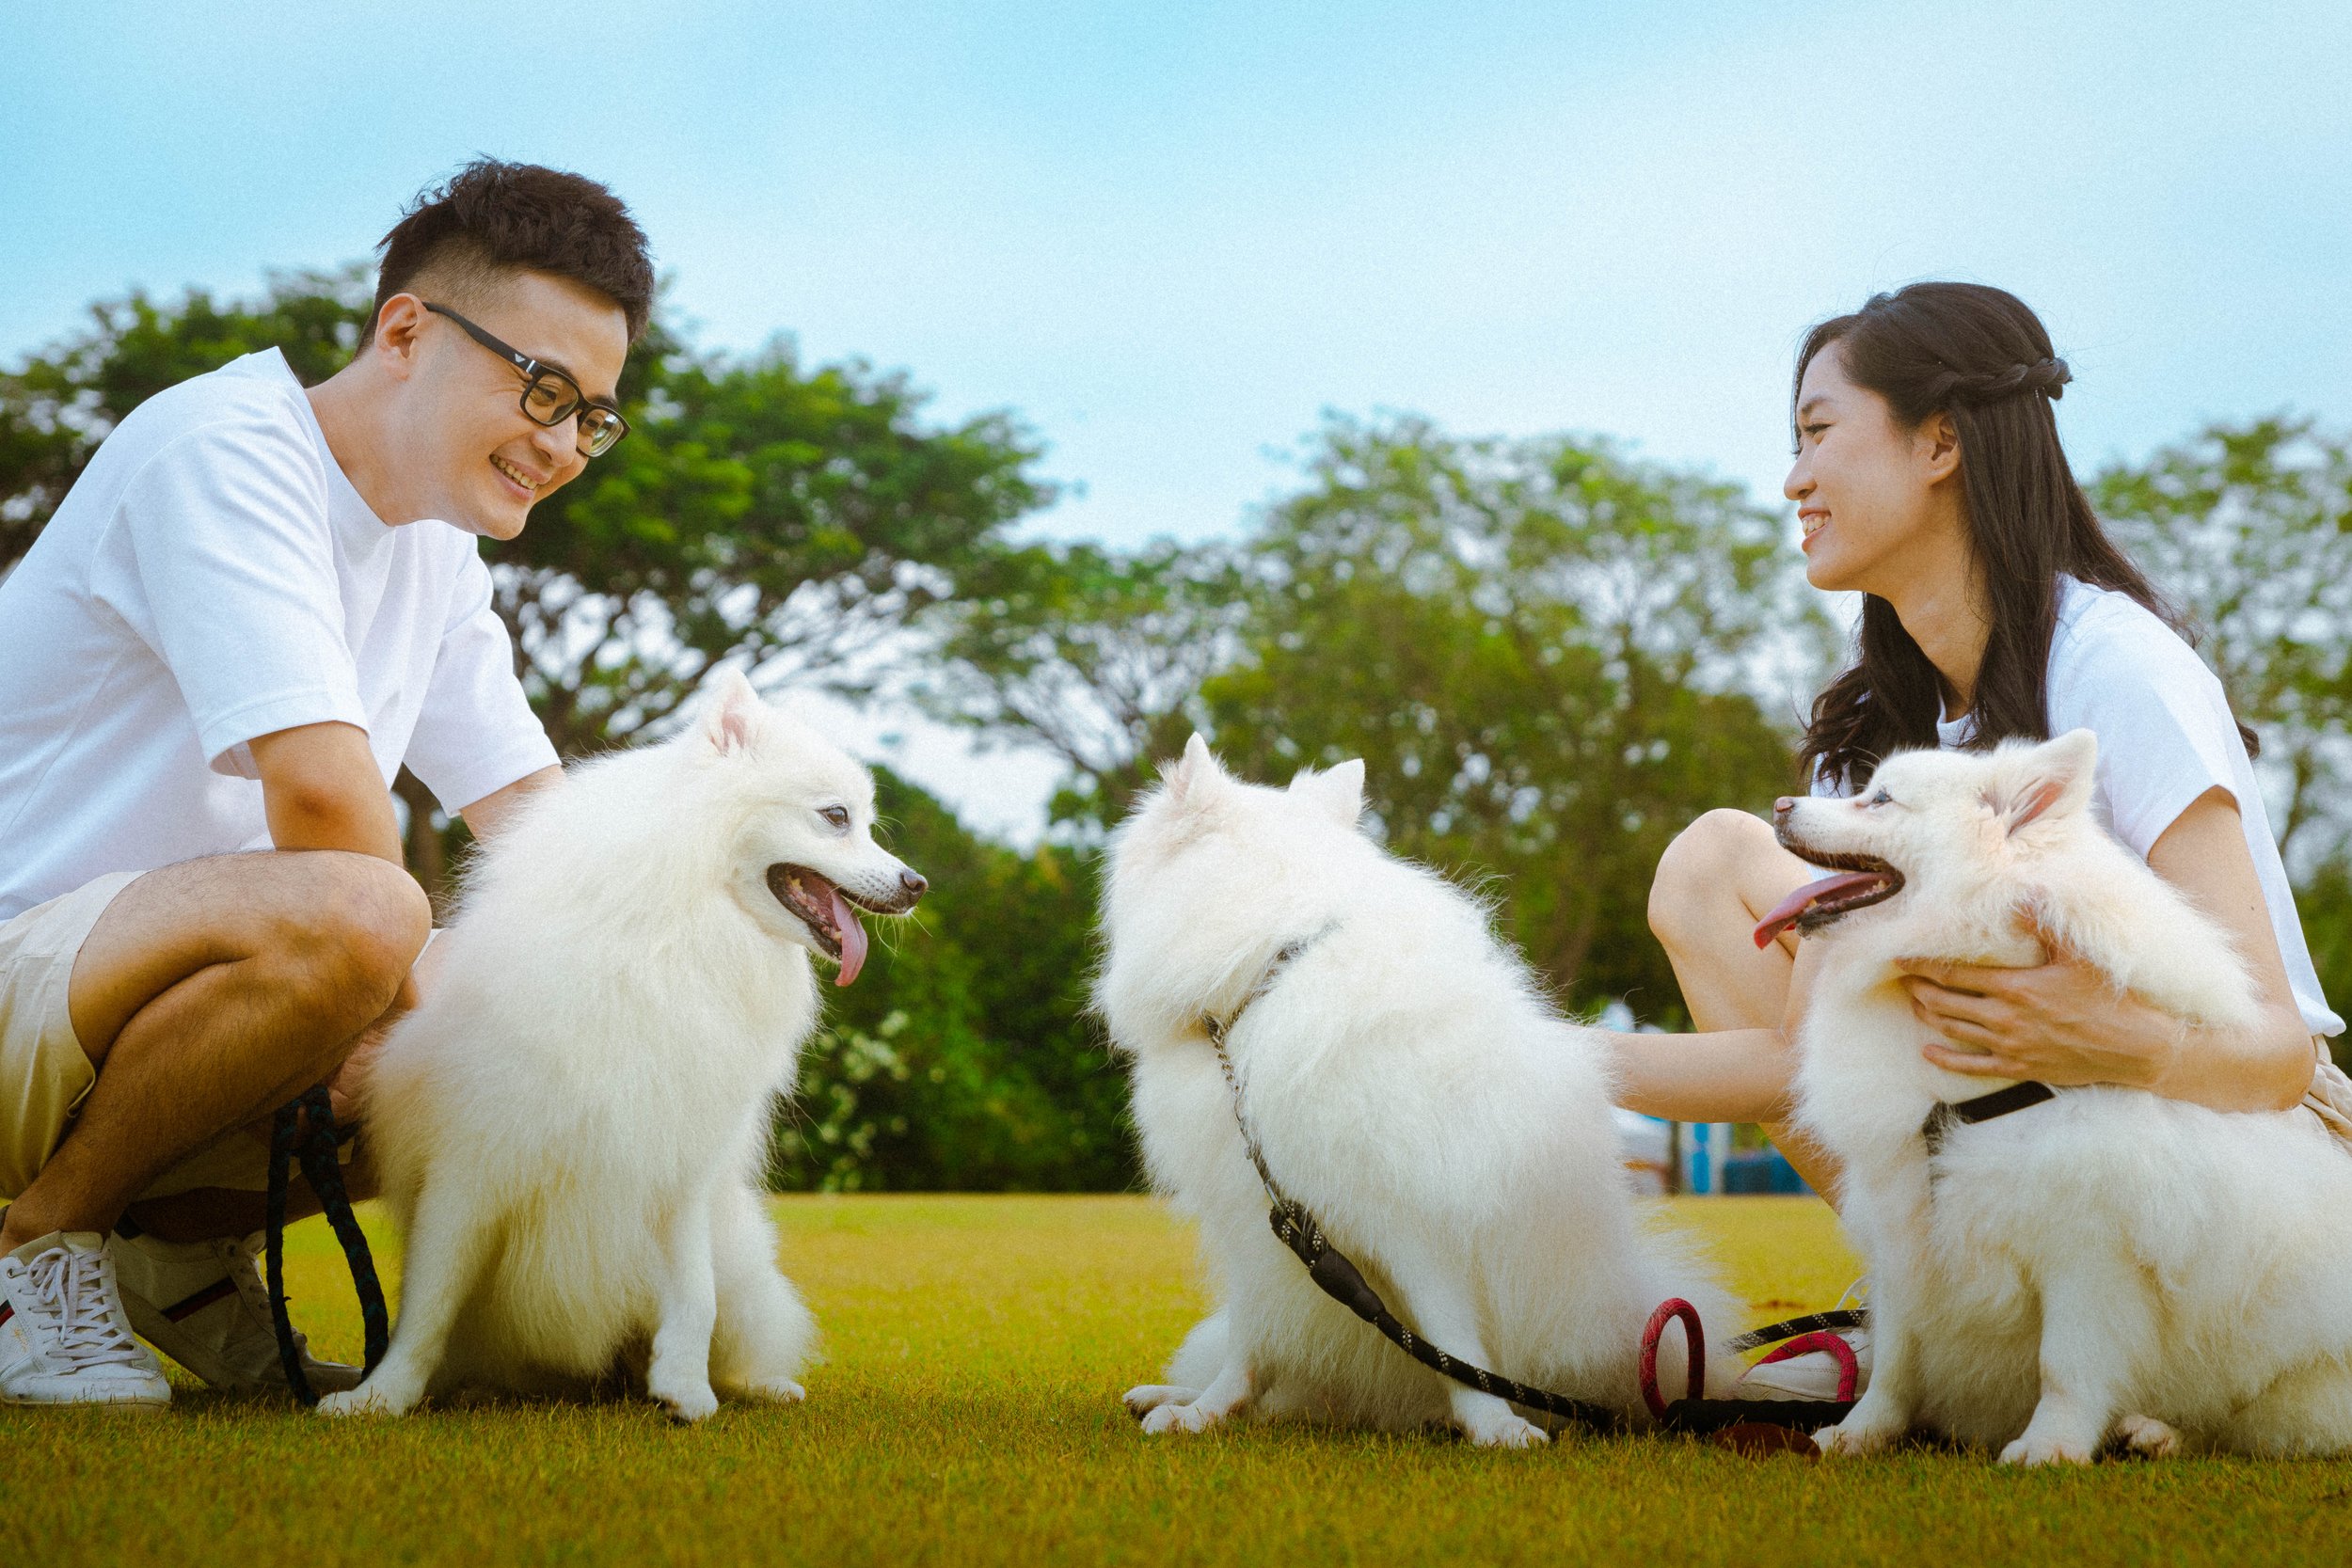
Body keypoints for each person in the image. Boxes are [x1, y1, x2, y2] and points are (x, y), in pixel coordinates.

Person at [0, 160, 652, 1408]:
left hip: (137, 1011)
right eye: (542, 388)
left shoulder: (438, 550)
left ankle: (176, 1258)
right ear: (406, 329)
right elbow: (329, 815)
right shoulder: (221, 449)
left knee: (551, 1013)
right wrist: (444, 1026)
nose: (564, 444)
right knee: (371, 912)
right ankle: (36, 1248)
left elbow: (544, 828)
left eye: (593, 414)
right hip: (19, 965)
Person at [1617, 281, 2347, 1393]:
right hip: (2037, 1155)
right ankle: (1936, 1320)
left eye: (1818, 433)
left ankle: (2105, 1367)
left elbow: (2275, 1055)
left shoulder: (2118, 666)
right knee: (1712, 866)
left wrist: (2113, 1040)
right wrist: (1524, 1059)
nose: (1793, 478)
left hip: (2249, 1157)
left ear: (1940, 443)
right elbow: (1799, 1060)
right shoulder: (1873, 741)